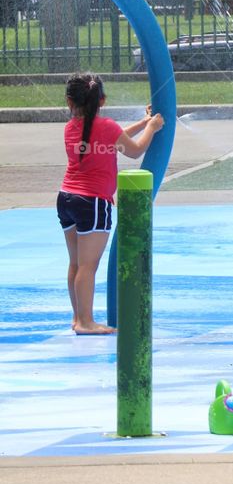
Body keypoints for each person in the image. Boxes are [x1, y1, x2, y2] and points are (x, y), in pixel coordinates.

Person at [58, 73, 164, 334]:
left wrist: (143, 122)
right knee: (88, 266)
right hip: (92, 202)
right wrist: (152, 128)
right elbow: (135, 150)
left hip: (66, 198)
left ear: (69, 102)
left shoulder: (71, 126)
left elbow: (113, 139)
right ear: (102, 100)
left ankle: (78, 318)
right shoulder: (106, 127)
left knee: (76, 264)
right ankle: (86, 322)